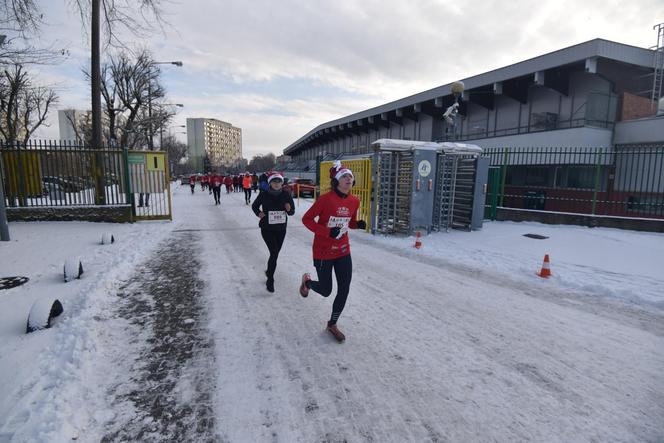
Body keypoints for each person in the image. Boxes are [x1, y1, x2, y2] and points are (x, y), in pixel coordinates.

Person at [299, 161, 366, 342]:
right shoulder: (325, 199)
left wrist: (356, 224)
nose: (348, 179)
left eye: (350, 177)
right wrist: (327, 232)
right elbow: (306, 219)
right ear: (336, 181)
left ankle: (332, 324)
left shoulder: (354, 201)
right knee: (327, 290)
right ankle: (308, 282)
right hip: (323, 251)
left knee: (344, 289)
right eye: (344, 176)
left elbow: (349, 222)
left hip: (343, 250)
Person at [252, 171, 295, 293]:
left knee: (274, 254)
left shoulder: (286, 195)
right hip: (267, 228)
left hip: (281, 229)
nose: (277, 184)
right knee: (274, 252)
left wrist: (289, 209)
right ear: (270, 183)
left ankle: (269, 271)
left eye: (279, 181)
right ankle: (270, 280)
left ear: (282, 183)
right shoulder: (264, 194)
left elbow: (292, 212)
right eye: (274, 181)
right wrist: (259, 213)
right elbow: (254, 206)